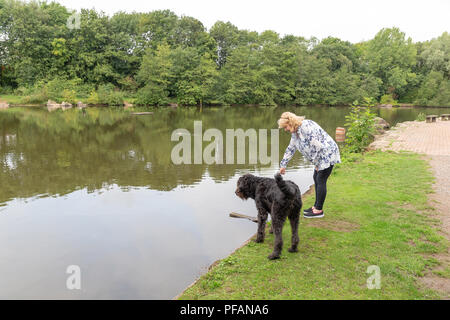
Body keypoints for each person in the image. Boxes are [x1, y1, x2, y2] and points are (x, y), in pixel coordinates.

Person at [277, 112, 341, 218]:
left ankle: (318, 210)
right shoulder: (295, 133)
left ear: (291, 123)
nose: (285, 129)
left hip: (327, 153)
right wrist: (283, 165)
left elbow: (317, 146)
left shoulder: (306, 127)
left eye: (286, 126)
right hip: (321, 156)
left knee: (320, 179)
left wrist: (317, 163)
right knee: (316, 177)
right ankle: (316, 206)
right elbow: (291, 148)